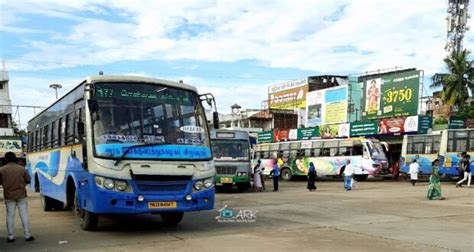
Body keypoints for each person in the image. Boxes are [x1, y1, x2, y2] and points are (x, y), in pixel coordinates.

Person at [0, 152, 35, 242]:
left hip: (9, 196)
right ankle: (27, 235)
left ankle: (11, 237)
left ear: (6, 159)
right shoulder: (22, 169)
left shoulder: (2, 170)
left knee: (10, 216)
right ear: (15, 158)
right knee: (24, 215)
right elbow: (28, 180)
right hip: (22, 195)